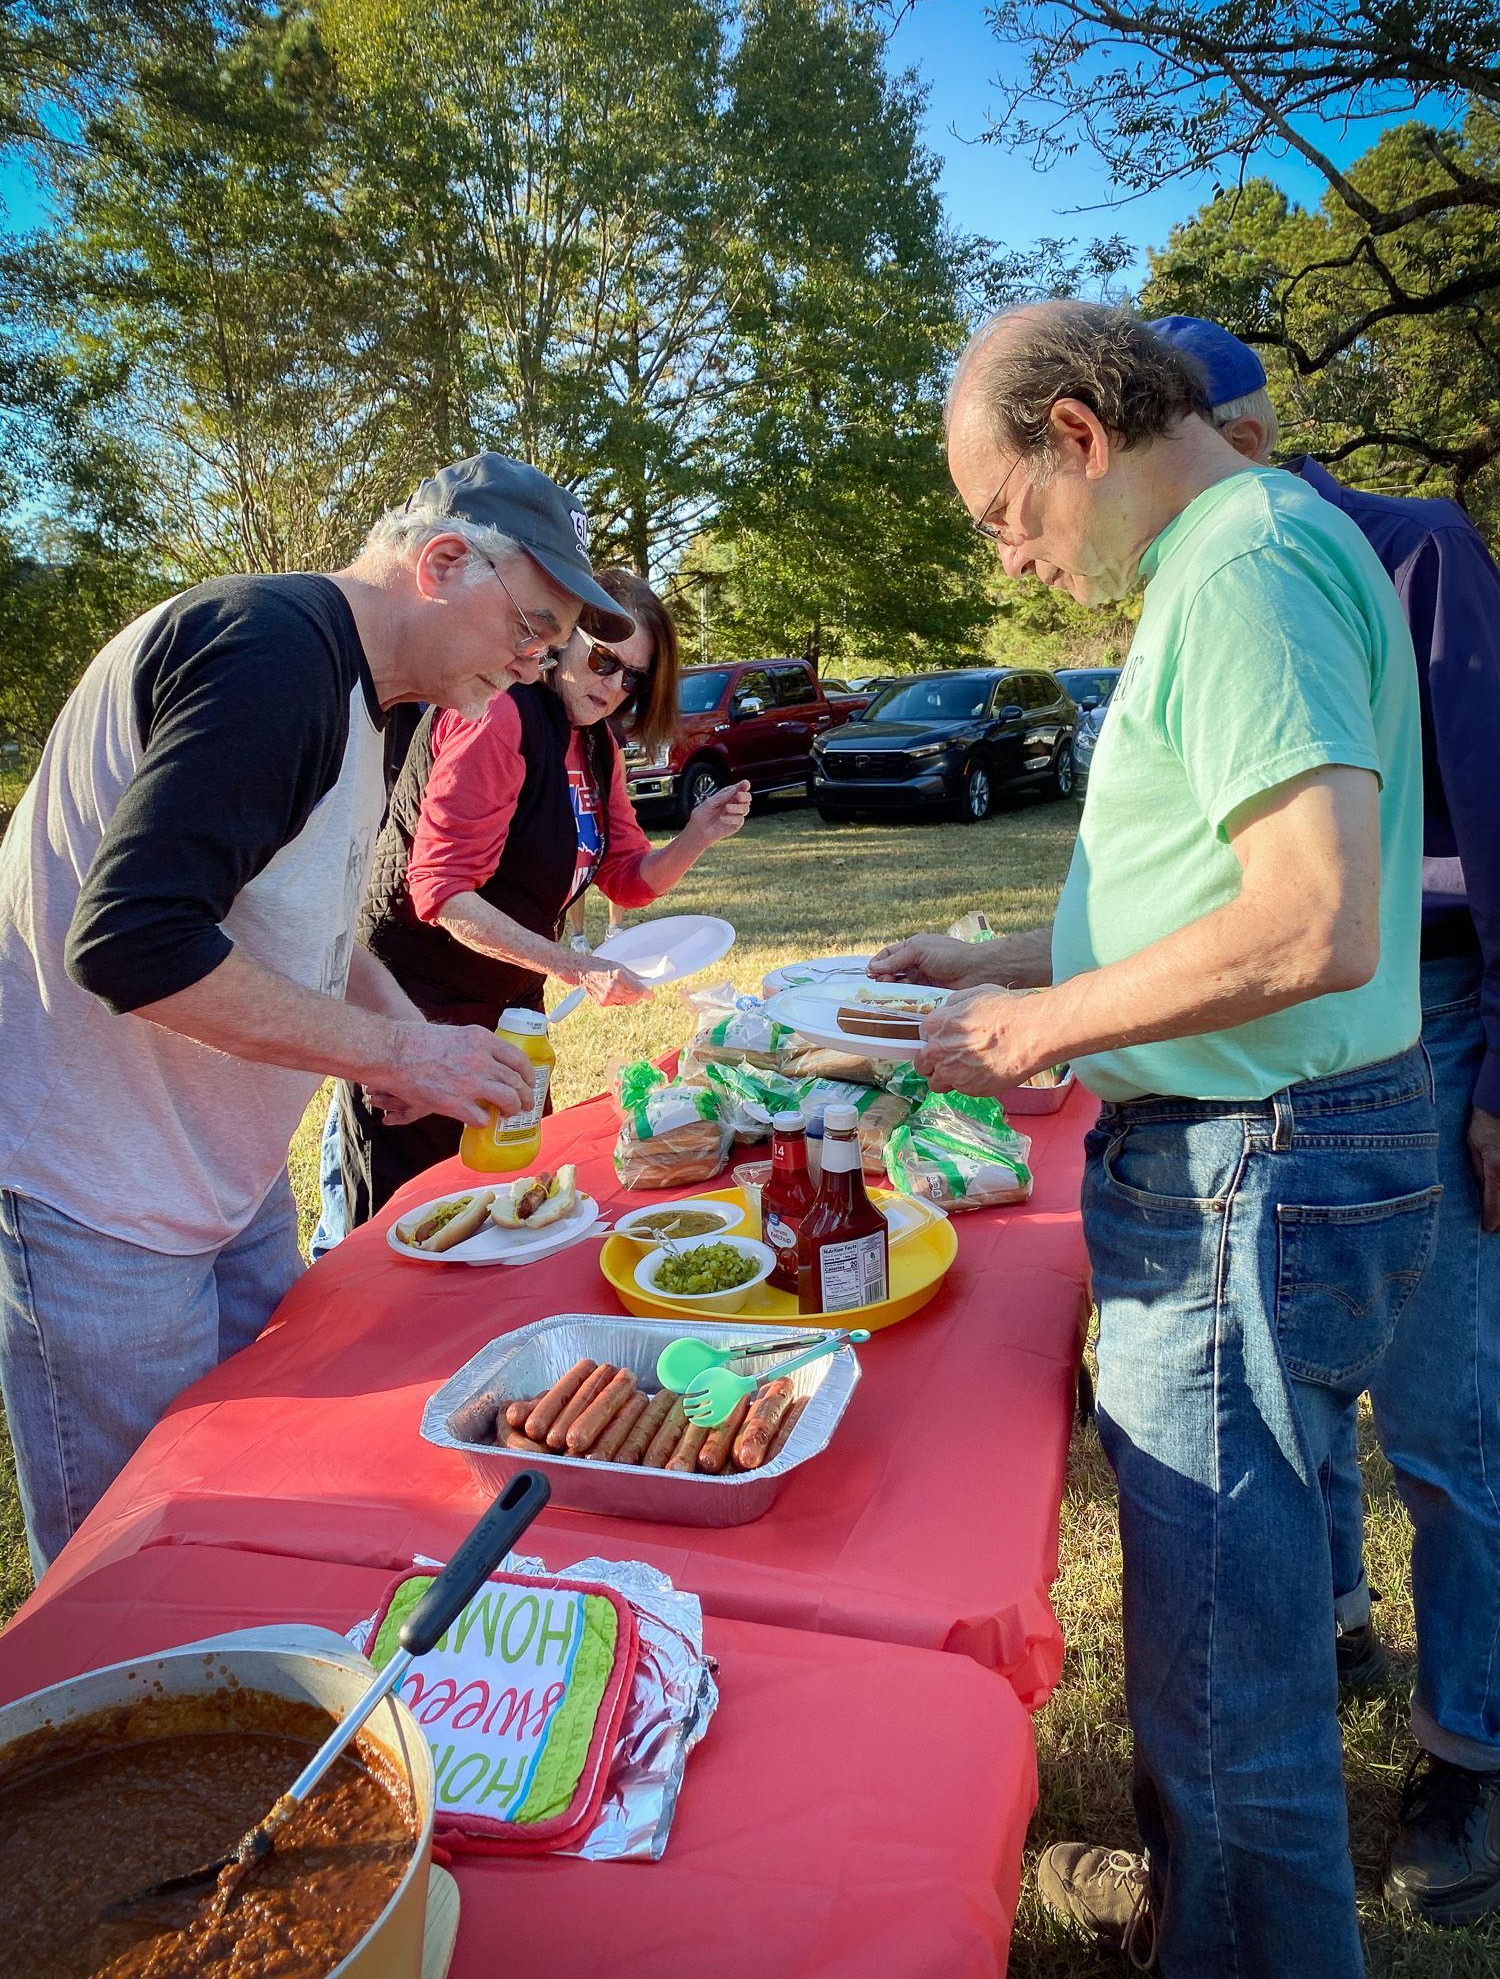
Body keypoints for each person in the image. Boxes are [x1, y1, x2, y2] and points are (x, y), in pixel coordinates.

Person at [875, 302, 1436, 1976]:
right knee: (1220, 1639)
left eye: (1005, 514)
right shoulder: (1227, 556)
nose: (1014, 560)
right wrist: (992, 964)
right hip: (1255, 1152)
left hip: (1250, 1165)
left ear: (1075, 432)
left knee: (1225, 1689)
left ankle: (1248, 1935)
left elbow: (1315, 918)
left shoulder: (1247, 562)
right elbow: (1192, 895)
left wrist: (1032, 1037)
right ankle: (1208, 1919)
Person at [0, 450, 634, 1574]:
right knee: (140, 1564)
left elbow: (315, 926)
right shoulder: (272, 650)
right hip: (101, 1197)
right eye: (533, 628)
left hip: (220, 1176)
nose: (539, 663)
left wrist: (408, 1046)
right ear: (443, 562)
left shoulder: (368, 693)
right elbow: (131, 943)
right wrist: (398, 1047)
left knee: (261, 1502)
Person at [1151, 312, 1500, 1924]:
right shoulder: (1184, 591)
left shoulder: (1408, 550)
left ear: (1241, 432)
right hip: (1251, 1035)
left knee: (1445, 1420)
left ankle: (1472, 1747)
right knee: (1284, 1394)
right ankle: (1340, 1622)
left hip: (1423, 1019)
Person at [332, 568, 749, 1227]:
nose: (613, 686)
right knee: (416, 1224)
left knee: (515, 1206)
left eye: (632, 677)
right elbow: (440, 891)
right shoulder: (499, 714)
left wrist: (697, 835)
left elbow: (627, 879)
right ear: (562, 639)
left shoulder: (595, 743)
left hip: (511, 1012)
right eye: (606, 660)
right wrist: (575, 965)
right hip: (417, 1006)